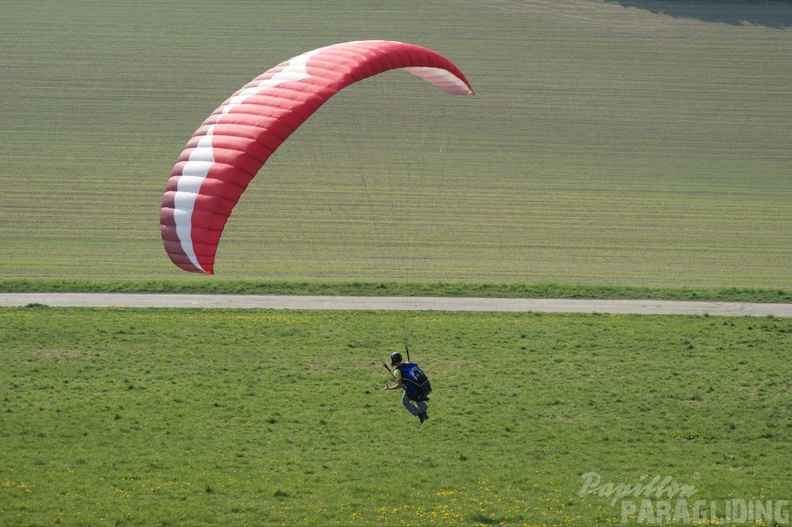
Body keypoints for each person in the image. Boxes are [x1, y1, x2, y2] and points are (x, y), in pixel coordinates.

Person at [382, 351, 430, 424]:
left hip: (412, 389)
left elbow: (399, 385)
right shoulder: (408, 364)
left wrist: (389, 388)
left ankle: (419, 414)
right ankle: (424, 413)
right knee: (417, 397)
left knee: (405, 401)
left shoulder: (397, 371)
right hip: (421, 386)